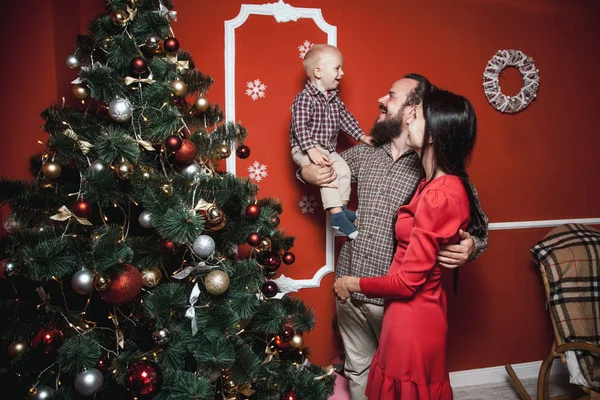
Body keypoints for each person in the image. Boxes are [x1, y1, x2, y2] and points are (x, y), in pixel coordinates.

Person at [299, 74, 488, 400]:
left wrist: (471, 246)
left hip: (395, 299)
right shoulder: (367, 153)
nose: (381, 101)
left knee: (400, 384)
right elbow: (323, 168)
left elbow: (477, 225)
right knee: (360, 371)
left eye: (392, 96)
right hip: (350, 285)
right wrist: (306, 169)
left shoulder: (436, 166)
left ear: (415, 109)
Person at [290, 44, 374, 240]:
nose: (342, 73)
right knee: (327, 174)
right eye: (337, 68)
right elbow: (298, 126)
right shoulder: (304, 98)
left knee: (343, 170)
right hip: (304, 147)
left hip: (326, 148)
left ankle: (342, 210)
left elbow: (346, 119)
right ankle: (336, 216)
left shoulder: (335, 100)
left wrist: (361, 136)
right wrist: (311, 150)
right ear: (318, 72)